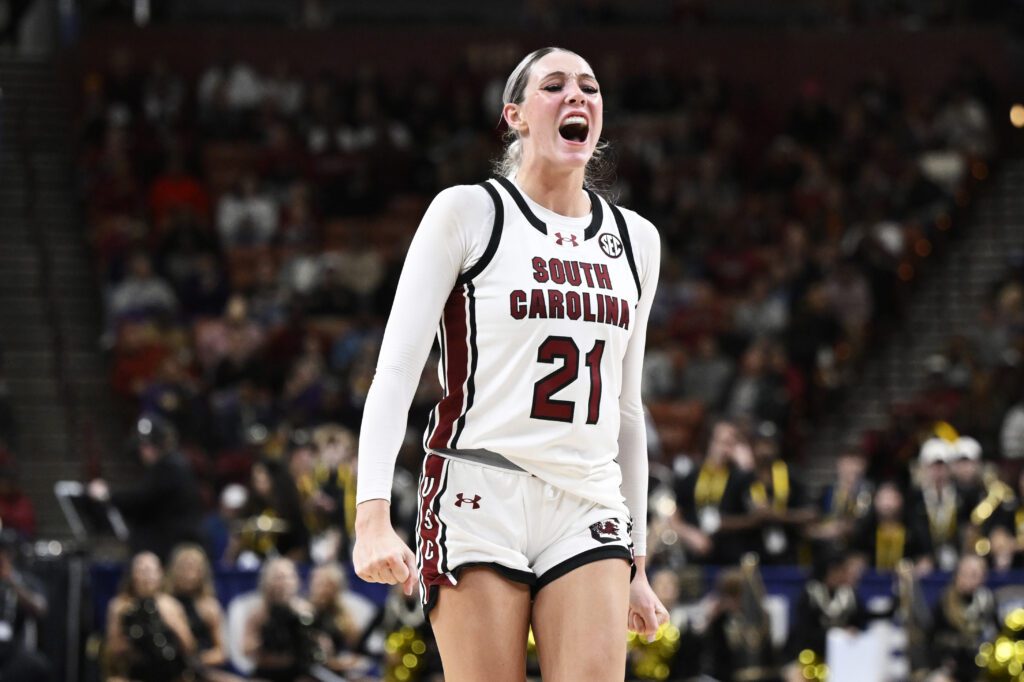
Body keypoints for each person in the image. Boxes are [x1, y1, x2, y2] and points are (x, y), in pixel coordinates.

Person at [352, 46, 667, 682]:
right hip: (478, 489)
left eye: (590, 87)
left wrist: (635, 562)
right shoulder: (468, 212)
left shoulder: (636, 239)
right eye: (555, 86)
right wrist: (372, 516)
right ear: (516, 116)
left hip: (587, 498)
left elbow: (627, 410)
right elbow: (396, 371)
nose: (577, 95)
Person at [88, 415, 203, 562]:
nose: (143, 452)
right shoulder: (165, 467)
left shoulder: (171, 467)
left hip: (172, 551)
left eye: (147, 446)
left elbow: (139, 499)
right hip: (166, 547)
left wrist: (107, 495)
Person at [105, 551, 196, 682]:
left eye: (151, 571)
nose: (147, 577)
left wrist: (174, 624)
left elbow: (190, 648)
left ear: (160, 574)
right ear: (132, 575)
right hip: (135, 674)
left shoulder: (171, 605)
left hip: (170, 674)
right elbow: (112, 651)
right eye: (142, 571)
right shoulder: (119, 606)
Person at [0, 531, 51, 681]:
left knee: (37, 666)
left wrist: (12, 582)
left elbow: (41, 608)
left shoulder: (23, 580)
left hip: (13, 645)